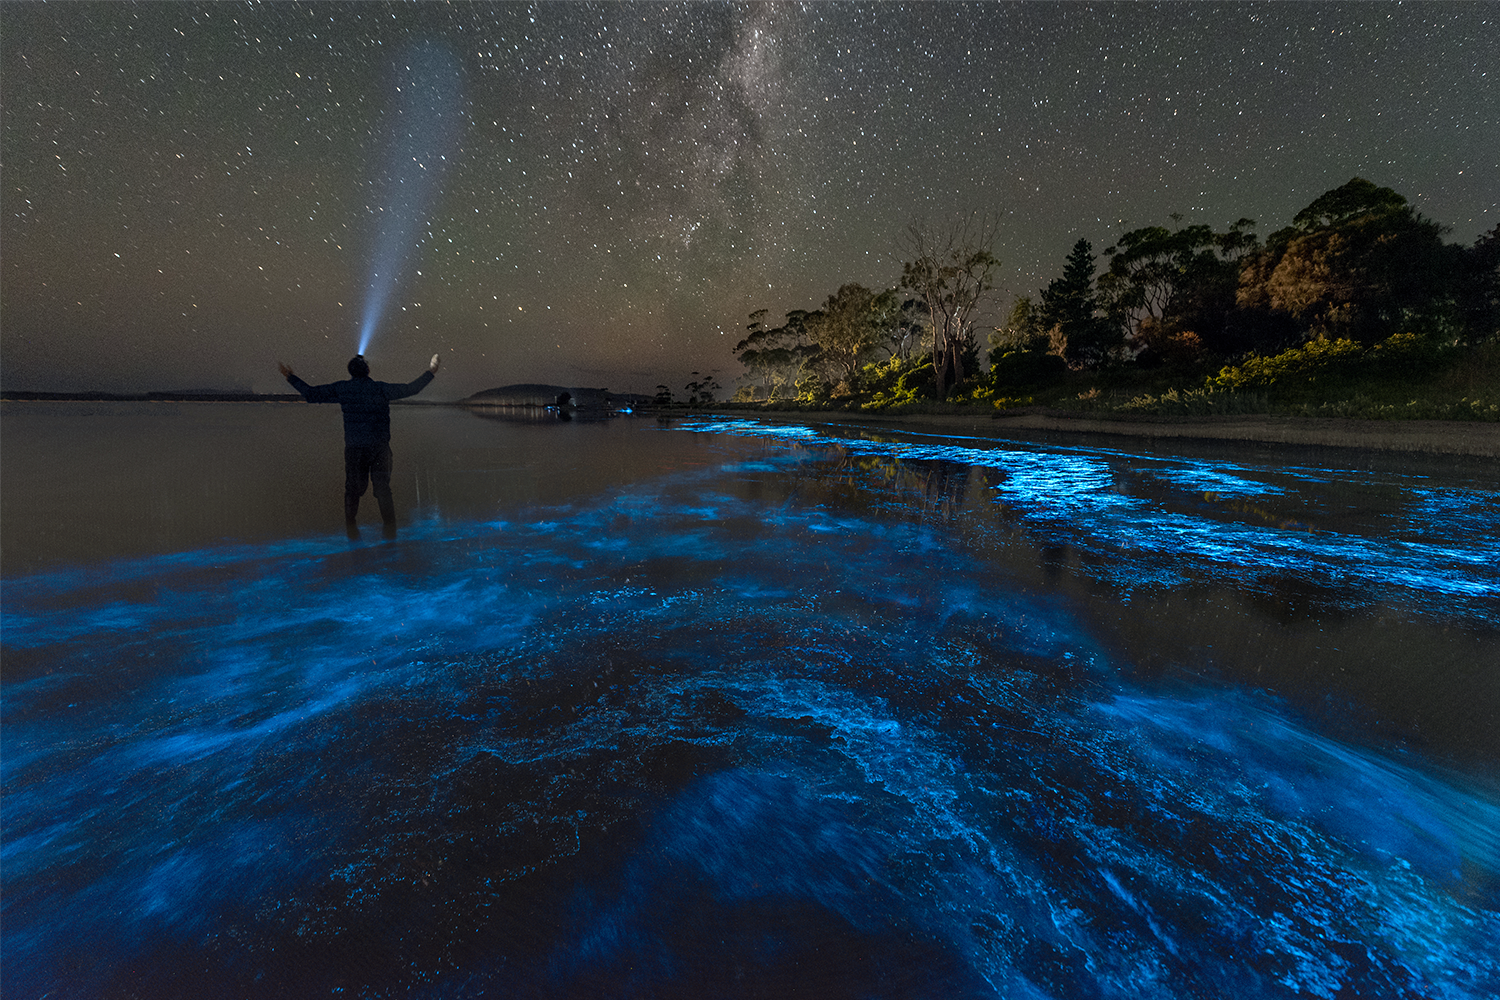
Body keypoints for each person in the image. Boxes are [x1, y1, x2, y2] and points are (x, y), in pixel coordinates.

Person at [278, 353, 440, 539]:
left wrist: (290, 376)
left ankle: (351, 527)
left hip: (355, 449)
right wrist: (431, 371)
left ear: (350, 371)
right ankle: (389, 529)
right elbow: (412, 389)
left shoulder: (343, 388)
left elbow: (311, 394)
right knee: (382, 489)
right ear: (368, 370)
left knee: (353, 489)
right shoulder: (380, 389)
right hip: (380, 449)